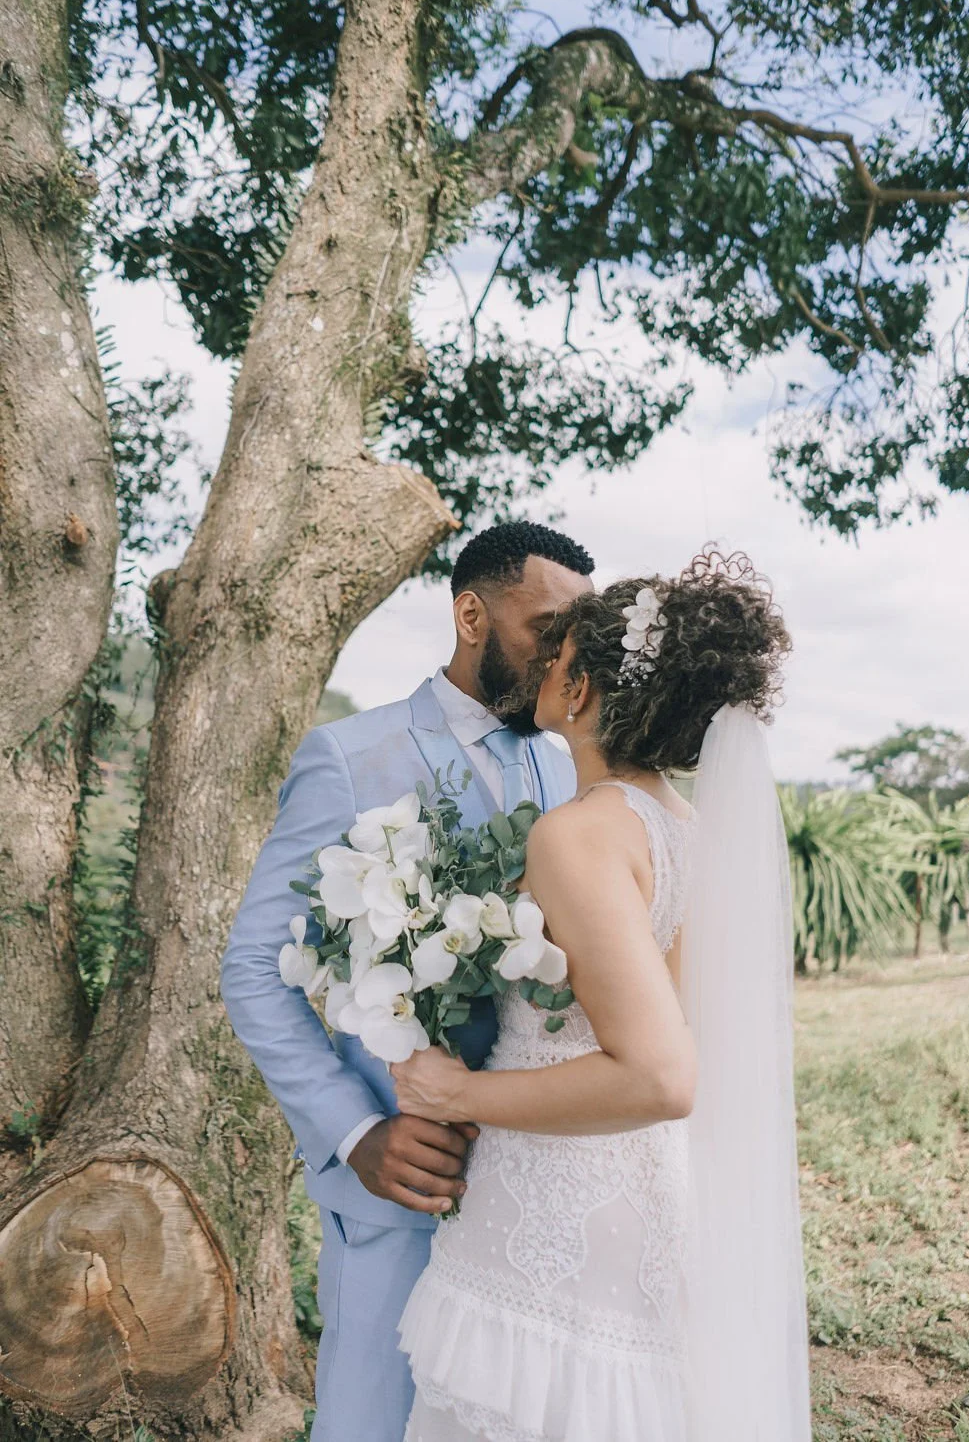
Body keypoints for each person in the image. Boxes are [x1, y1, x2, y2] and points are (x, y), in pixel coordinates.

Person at [392, 548, 812, 1442]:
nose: (544, 666)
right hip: (653, 1194)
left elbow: (662, 1075)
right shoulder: (690, 832)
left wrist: (456, 1092)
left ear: (580, 690)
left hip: (559, 1207)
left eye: (560, 653)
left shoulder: (577, 836)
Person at [219, 521, 595, 1442]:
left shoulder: (568, 764)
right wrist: (356, 1134)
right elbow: (252, 970)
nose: (564, 658)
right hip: (404, 1188)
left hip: (533, 1193)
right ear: (472, 613)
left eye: (577, 636)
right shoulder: (350, 758)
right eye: (546, 627)